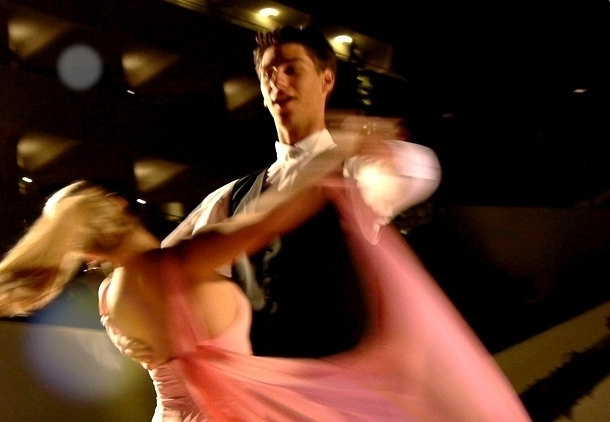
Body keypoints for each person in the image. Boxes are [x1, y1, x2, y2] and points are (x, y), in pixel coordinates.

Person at [0, 142, 530, 420]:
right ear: (118, 206)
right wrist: (338, 155)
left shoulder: (114, 295)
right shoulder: (176, 265)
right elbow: (266, 219)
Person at [152, 25, 441, 360]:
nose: (278, 80)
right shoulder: (234, 194)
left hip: (338, 377)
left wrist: (376, 151)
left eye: (292, 69)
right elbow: (165, 260)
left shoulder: (355, 171)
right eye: (268, 73)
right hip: (262, 379)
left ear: (326, 80)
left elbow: (417, 171)